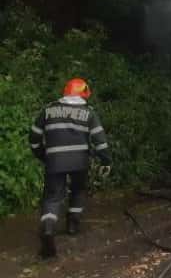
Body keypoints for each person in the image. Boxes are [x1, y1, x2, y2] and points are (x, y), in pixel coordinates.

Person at [28, 78, 111, 258]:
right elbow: (100, 141)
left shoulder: (48, 110)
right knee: (78, 190)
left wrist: (42, 155)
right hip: (80, 162)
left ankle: (49, 229)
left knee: (52, 197)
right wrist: (106, 161)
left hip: (54, 161)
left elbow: (34, 137)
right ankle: (73, 225)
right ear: (84, 94)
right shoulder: (89, 113)